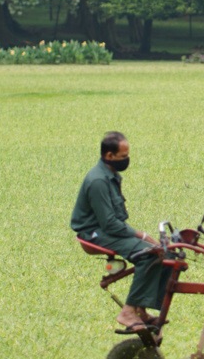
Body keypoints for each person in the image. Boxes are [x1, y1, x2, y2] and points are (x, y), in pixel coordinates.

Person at [70, 131, 166, 332]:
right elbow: (110, 224)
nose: (126, 160)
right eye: (123, 157)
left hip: (106, 228)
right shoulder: (98, 181)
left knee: (162, 254)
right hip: (95, 233)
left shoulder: (110, 174)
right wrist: (142, 235)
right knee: (148, 255)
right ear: (109, 155)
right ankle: (128, 312)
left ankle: (140, 310)